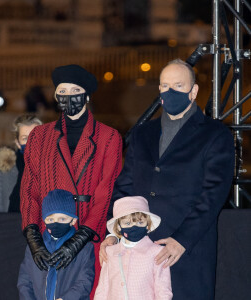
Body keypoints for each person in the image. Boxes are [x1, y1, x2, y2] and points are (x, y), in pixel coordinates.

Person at [100, 59, 235, 300]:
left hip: (187, 252)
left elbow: (214, 194)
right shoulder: (142, 134)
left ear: (193, 91)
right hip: (138, 252)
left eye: (178, 85)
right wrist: (113, 232)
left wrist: (182, 240)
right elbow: (125, 187)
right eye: (164, 85)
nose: (170, 91)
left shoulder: (216, 135)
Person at [20, 64, 123, 297]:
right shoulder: (40, 136)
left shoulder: (109, 137)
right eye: (62, 92)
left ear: (86, 95)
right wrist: (34, 238)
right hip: (49, 237)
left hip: (89, 236)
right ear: (56, 97)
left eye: (74, 91)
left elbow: (105, 193)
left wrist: (79, 240)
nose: (68, 97)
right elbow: (29, 190)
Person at [18, 189, 95, 300]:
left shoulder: (85, 248)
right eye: (50, 219)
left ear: (73, 220)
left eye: (62, 219)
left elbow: (85, 281)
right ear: (44, 221)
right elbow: (25, 280)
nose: (55, 223)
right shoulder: (35, 247)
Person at [94, 196, 172, 300]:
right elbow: (103, 288)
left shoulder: (157, 252)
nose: (134, 227)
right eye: (127, 223)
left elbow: (163, 291)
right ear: (118, 227)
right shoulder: (110, 252)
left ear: (148, 225)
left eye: (140, 223)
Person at [0, 114, 42, 212]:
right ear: (17, 143)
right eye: (25, 138)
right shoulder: (5, 166)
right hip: (9, 224)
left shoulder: (55, 166)